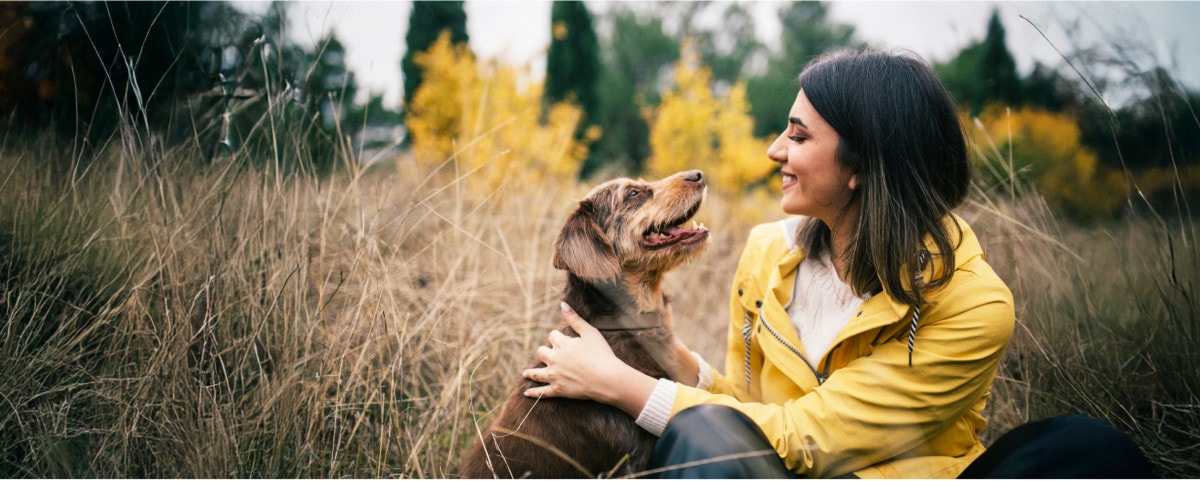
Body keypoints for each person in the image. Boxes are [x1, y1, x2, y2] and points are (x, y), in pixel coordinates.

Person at [520, 49, 1153, 478]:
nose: (774, 150)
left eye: (798, 136)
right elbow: (748, 414)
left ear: (862, 165)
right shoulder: (768, 254)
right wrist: (676, 364)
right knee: (706, 438)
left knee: (1084, 447)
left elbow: (803, 436)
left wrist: (621, 386)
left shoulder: (973, 304)